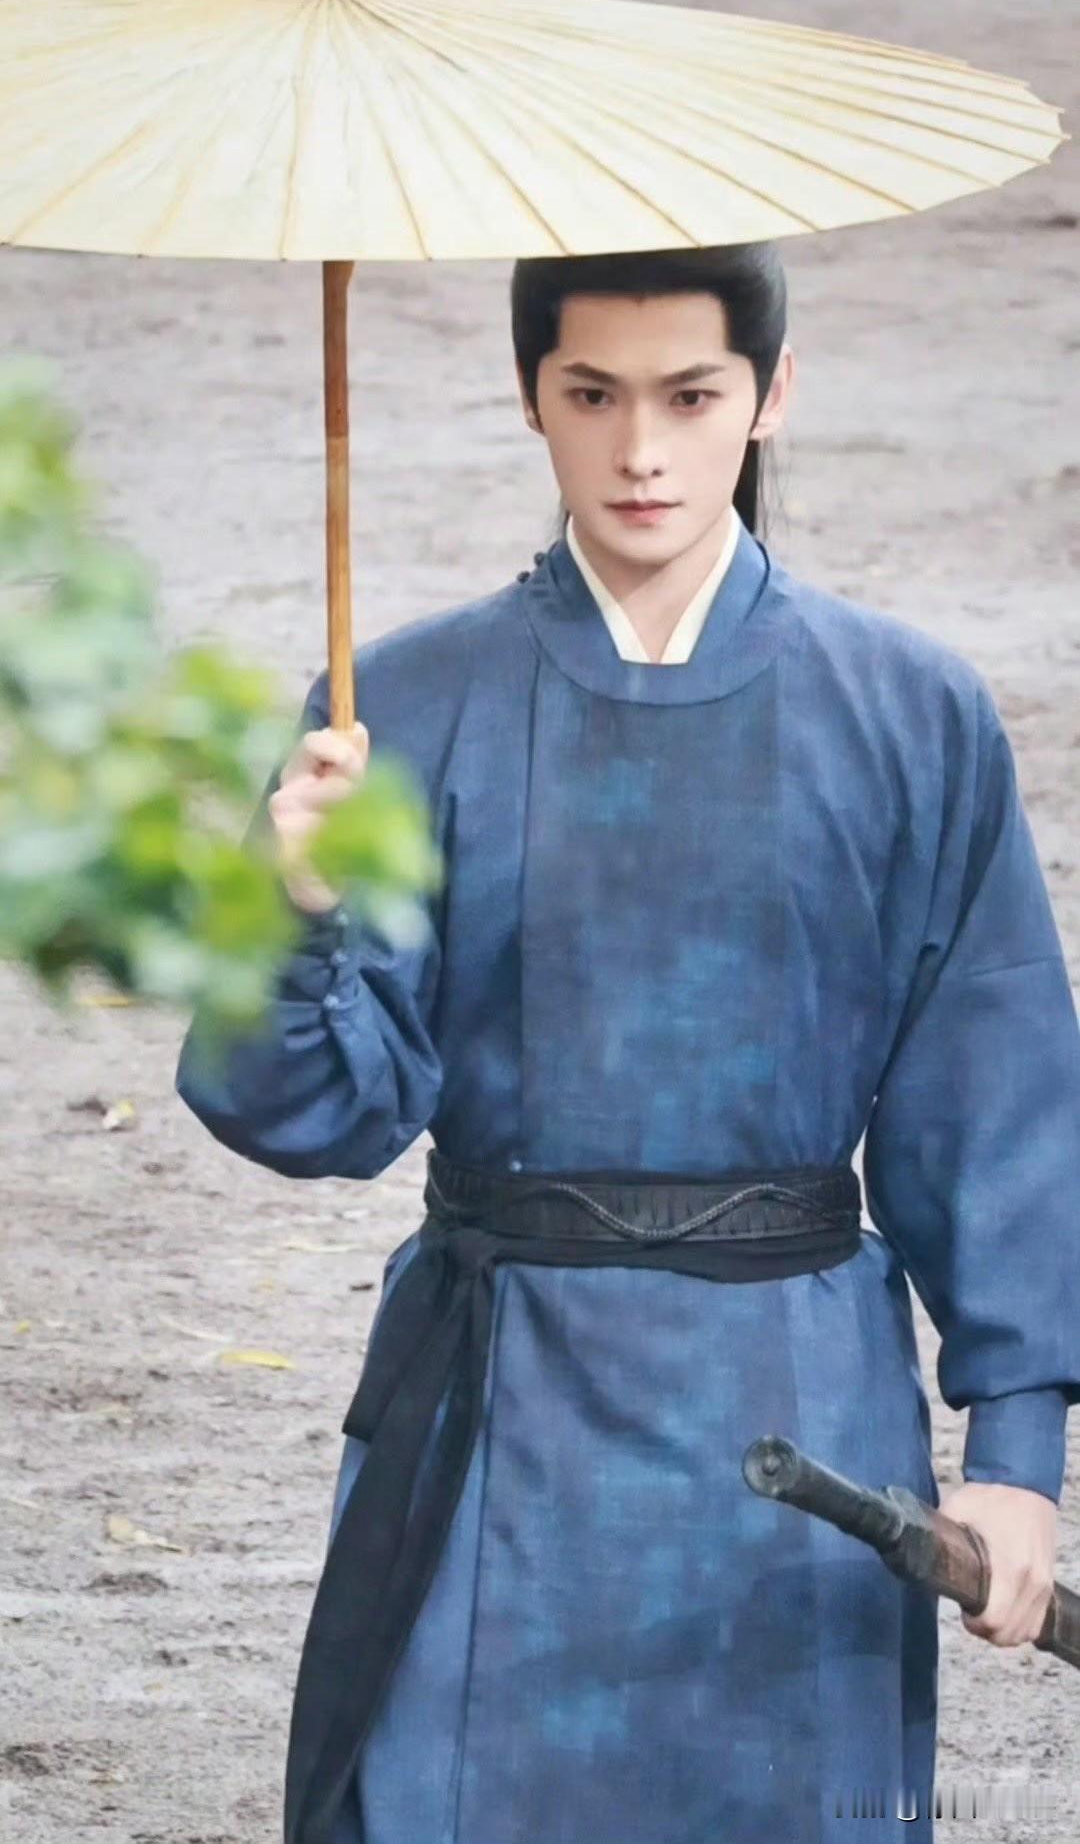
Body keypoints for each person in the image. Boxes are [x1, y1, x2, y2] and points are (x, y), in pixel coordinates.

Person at [175, 243, 1080, 1844]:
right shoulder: (401, 710)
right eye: (593, 394)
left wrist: (1016, 1450)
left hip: (798, 1409)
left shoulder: (911, 712)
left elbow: (995, 1101)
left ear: (772, 393)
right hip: (497, 1407)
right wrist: (291, 907)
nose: (641, 450)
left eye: (691, 395)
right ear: (531, 395)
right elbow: (317, 1108)